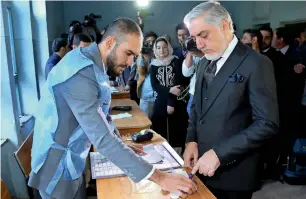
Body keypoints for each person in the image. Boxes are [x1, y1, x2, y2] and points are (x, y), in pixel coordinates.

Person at [29, 17, 197, 199]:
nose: (131, 61)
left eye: (135, 55)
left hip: (72, 161)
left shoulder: (93, 64)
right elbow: (101, 139)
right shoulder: (81, 73)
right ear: (109, 43)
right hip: (57, 170)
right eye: (128, 53)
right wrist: (161, 177)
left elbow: (103, 116)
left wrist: (121, 143)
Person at [183, 2, 279, 199]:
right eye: (194, 37)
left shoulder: (256, 63)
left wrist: (219, 153)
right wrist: (191, 140)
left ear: (225, 26)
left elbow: (267, 123)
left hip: (235, 173)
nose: (198, 44)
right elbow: (197, 109)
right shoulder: (203, 62)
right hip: (201, 167)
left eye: (204, 35)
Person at [150, 36, 190, 152]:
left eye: (164, 47)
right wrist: (168, 90)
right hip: (160, 101)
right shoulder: (153, 65)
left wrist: (171, 102)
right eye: (158, 48)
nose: (161, 50)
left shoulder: (176, 61)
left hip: (176, 102)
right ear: (155, 50)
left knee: (176, 130)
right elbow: (155, 85)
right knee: (159, 127)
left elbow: (178, 84)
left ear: (169, 48)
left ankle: (178, 157)